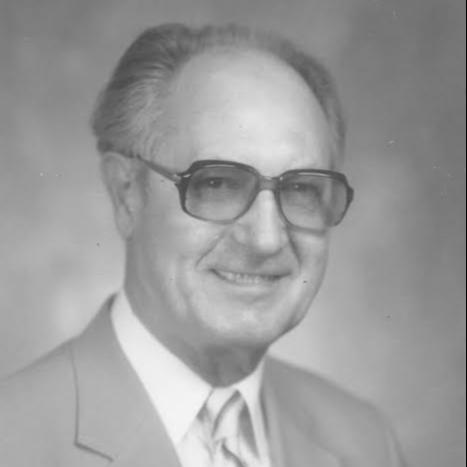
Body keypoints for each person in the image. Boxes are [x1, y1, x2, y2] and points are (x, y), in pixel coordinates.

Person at [0, 23, 405, 467]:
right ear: (126, 193)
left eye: (301, 189)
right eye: (217, 184)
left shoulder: (367, 442)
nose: (266, 238)